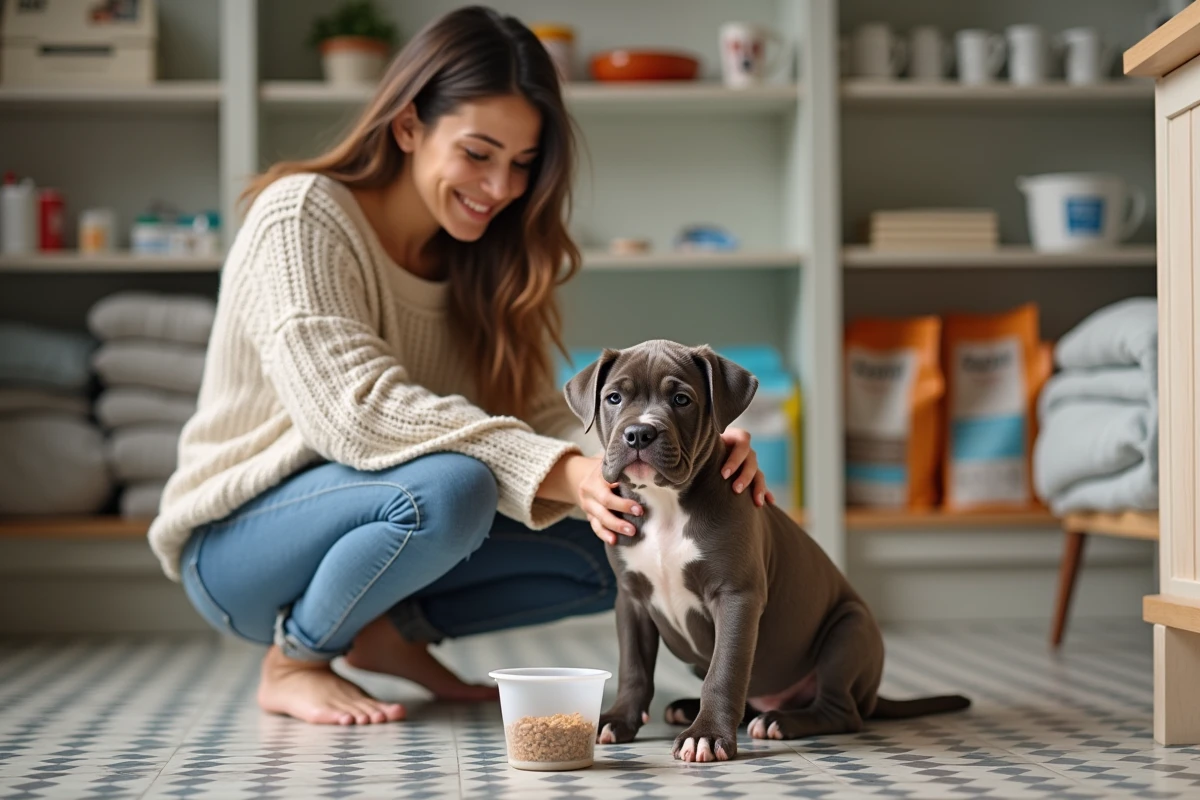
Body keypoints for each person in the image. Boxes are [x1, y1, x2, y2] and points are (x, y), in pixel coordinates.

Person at [148, 5, 773, 727]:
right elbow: (353, 412)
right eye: (478, 154)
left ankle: (385, 633)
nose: (502, 187)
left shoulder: (484, 256)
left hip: (373, 526)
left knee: (625, 528)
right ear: (409, 125)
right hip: (239, 542)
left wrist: (683, 461)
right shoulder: (301, 217)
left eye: (522, 163)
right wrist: (567, 472)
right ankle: (296, 658)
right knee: (453, 486)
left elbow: (536, 413)